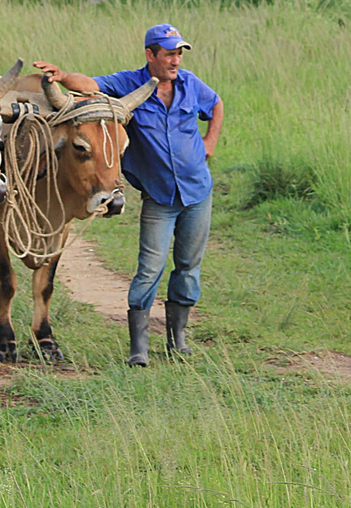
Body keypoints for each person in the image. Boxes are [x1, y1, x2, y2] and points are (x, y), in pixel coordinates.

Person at [35, 23, 223, 365]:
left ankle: (177, 339)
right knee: (149, 268)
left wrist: (209, 142)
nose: (176, 60)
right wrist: (62, 77)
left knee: (188, 266)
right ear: (151, 55)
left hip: (198, 192)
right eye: (169, 53)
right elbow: (90, 86)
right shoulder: (127, 84)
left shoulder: (190, 84)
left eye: (179, 53)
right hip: (160, 197)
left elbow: (216, 105)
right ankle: (139, 348)